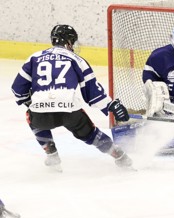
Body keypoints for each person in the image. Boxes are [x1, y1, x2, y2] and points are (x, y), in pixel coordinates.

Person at [11, 24, 132, 171]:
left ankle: (52, 154)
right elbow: (93, 94)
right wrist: (110, 105)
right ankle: (119, 155)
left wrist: (32, 102)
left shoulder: (34, 58)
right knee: (90, 133)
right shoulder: (77, 60)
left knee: (32, 116)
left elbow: (17, 89)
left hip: (41, 115)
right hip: (70, 112)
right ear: (68, 42)